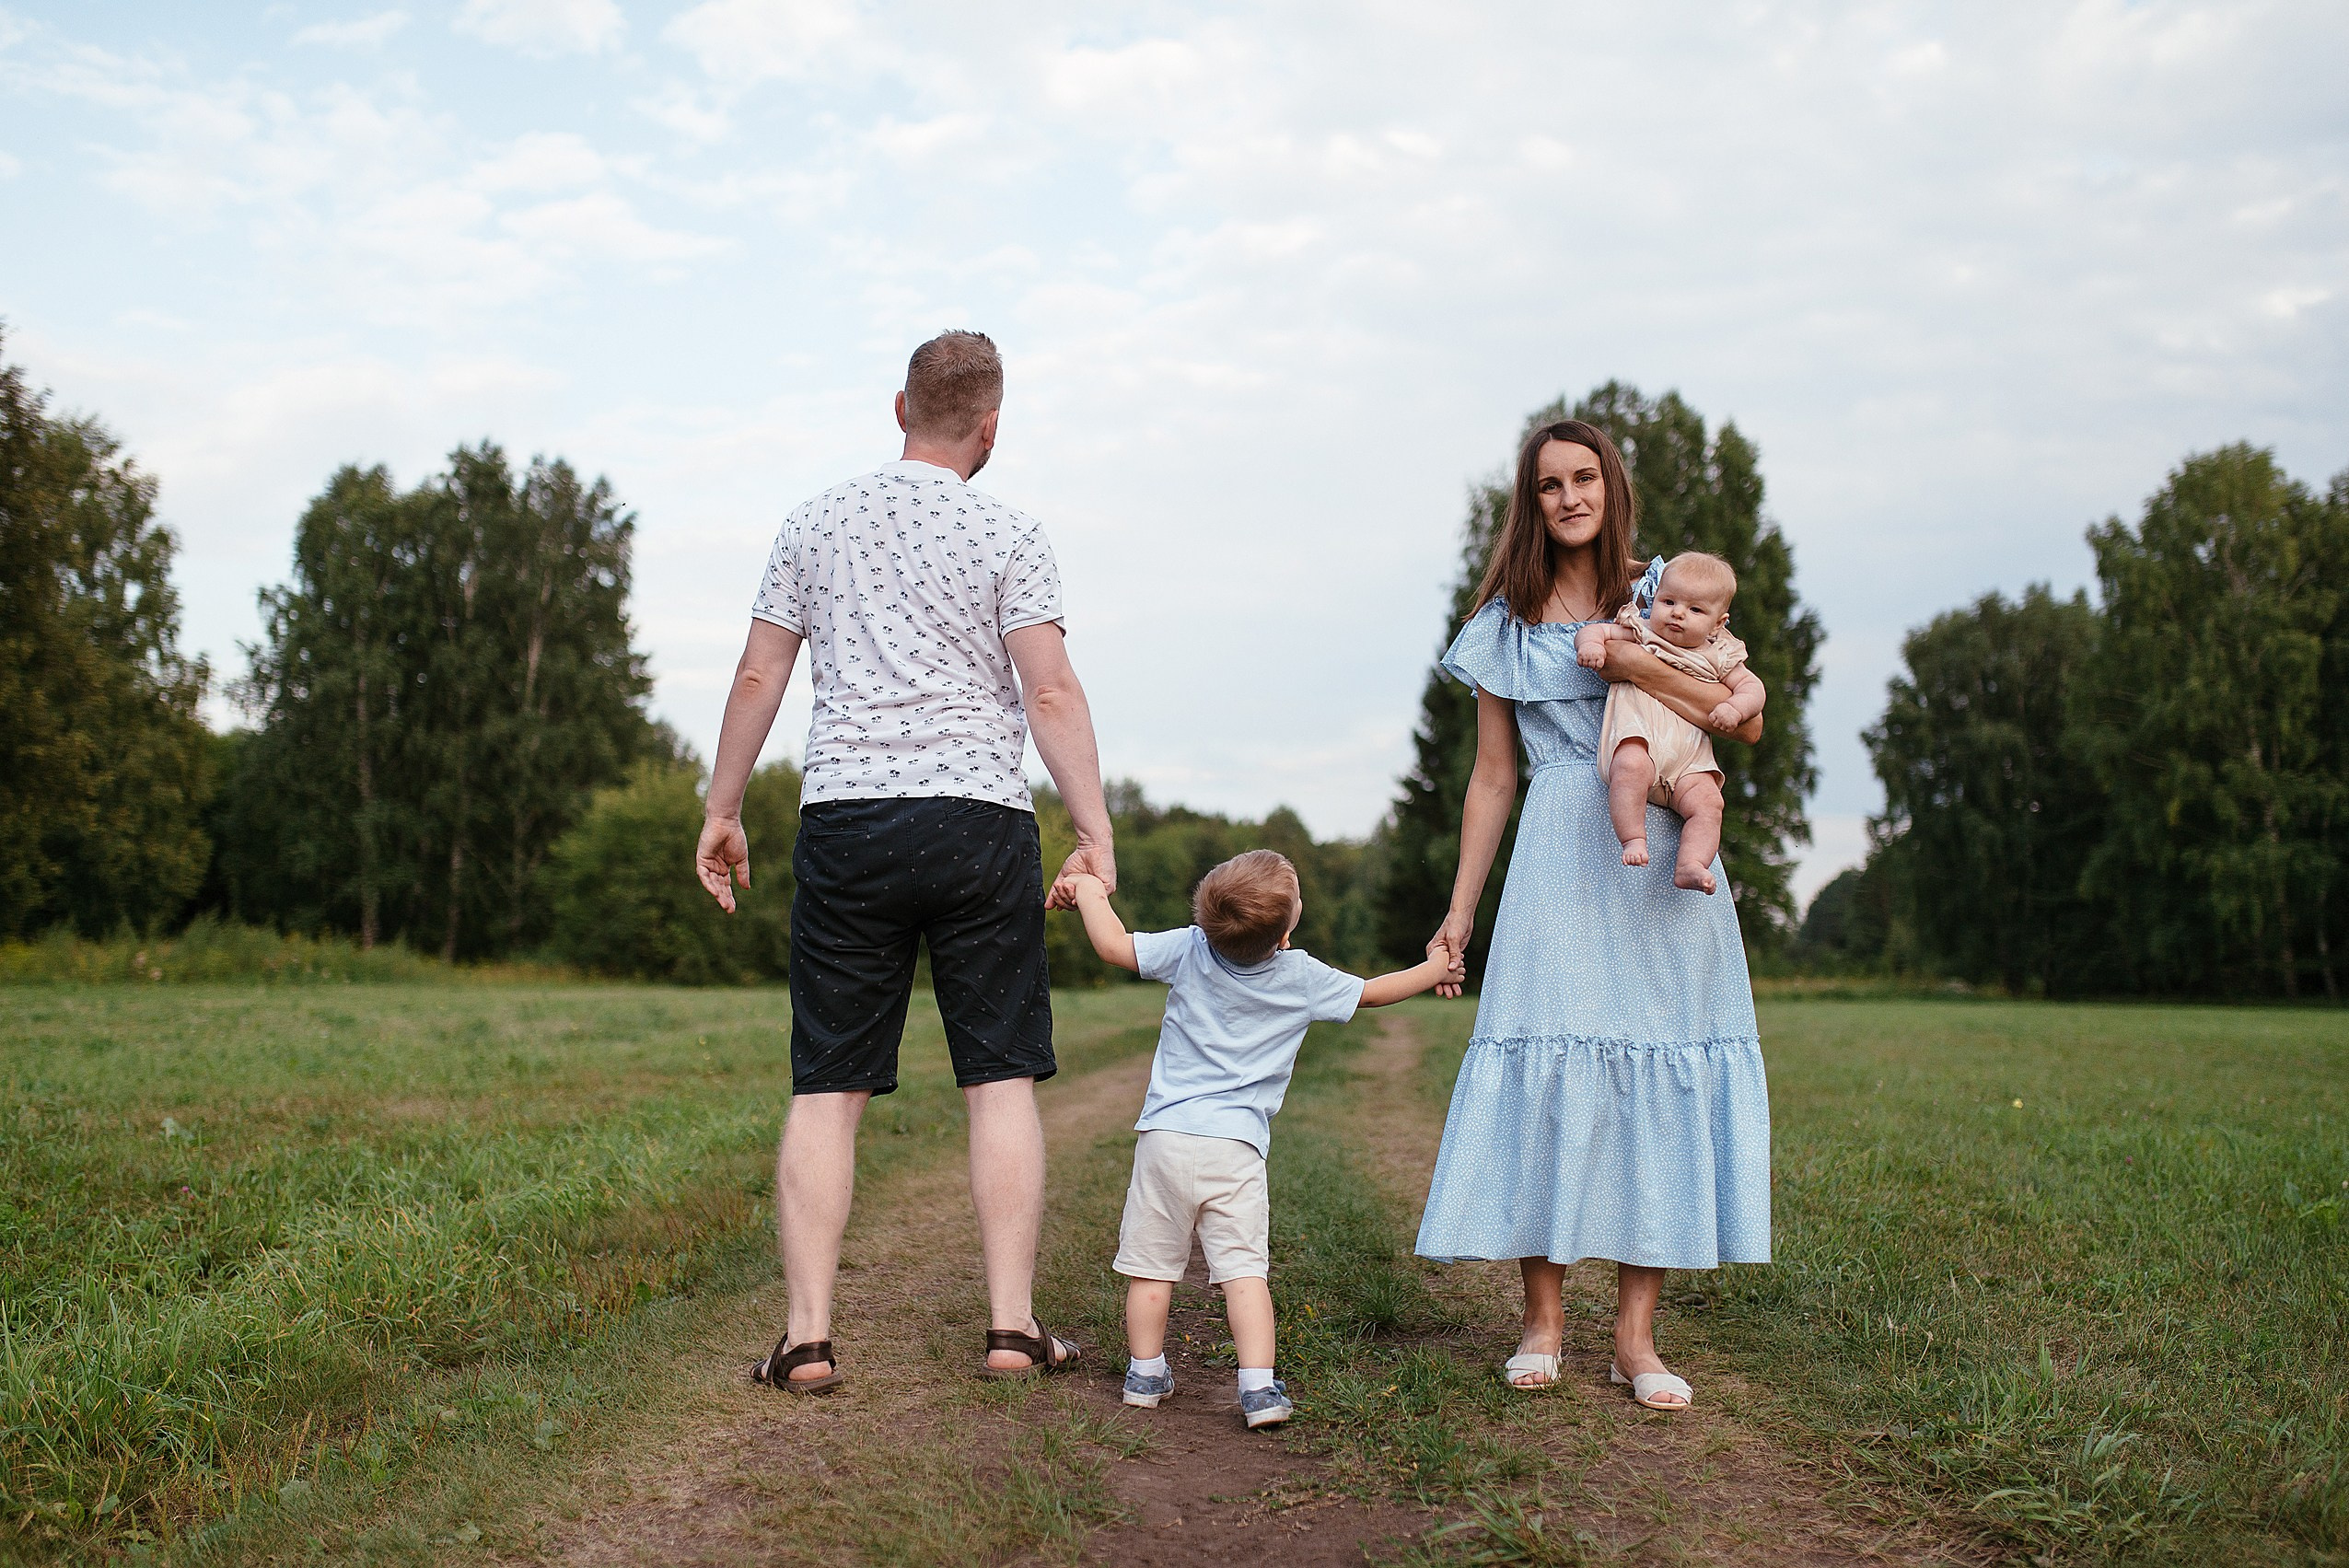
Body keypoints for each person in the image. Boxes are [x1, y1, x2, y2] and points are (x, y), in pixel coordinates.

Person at [694, 330, 1117, 1393]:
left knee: (828, 1084)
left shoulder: (813, 521)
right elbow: (1049, 689)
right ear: (990, 428)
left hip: (849, 820)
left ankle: (806, 1339)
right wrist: (1092, 826)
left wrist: (723, 807)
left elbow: (758, 674)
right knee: (999, 1077)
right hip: (978, 820)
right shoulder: (1010, 531)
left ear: (899, 408)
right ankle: (1011, 1328)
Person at [1416, 419, 1773, 1412]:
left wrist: (1631, 661)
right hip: (1557, 848)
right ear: (1529, 502)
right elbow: (1492, 777)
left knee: (1653, 1065)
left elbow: (1743, 718)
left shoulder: (1665, 593)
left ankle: (1634, 1337)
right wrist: (1460, 911)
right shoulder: (1502, 621)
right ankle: (1541, 1321)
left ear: (1610, 487)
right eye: (1548, 484)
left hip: (1663, 842)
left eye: (1584, 478)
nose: (1569, 496)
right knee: (1549, 1066)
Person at [1061, 852, 1461, 1429]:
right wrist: (1437, 966)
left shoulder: (1190, 949)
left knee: (1153, 1268)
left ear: (1204, 921)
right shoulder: (1301, 977)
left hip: (1165, 1139)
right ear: (1287, 932)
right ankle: (1258, 1388)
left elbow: (1113, 946)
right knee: (1243, 1272)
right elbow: (1373, 993)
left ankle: (1144, 1374)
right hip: (1236, 1148)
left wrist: (1088, 890)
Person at [1574, 552, 1767, 894]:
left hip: (1689, 762)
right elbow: (1596, 630)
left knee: (1709, 803)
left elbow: (1753, 689)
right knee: (1629, 768)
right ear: (1656, 598)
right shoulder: (1643, 631)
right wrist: (1591, 645)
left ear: (1718, 624)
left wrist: (1736, 708)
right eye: (1669, 602)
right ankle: (1633, 838)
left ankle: (1691, 863)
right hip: (1640, 740)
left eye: (1695, 610)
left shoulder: (1720, 654)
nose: (1678, 613)